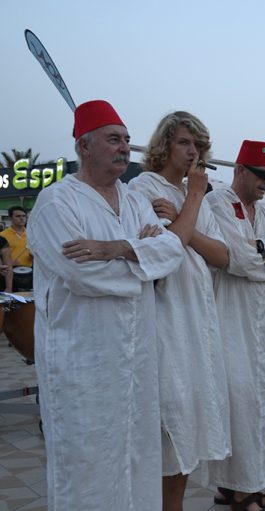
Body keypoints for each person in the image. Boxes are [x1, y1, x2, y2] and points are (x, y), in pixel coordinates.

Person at [27, 100, 185, 511]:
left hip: (136, 363)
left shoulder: (134, 201)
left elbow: (171, 251)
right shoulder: (57, 203)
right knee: (87, 465)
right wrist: (143, 259)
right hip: (84, 363)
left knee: (138, 457)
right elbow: (82, 276)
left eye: (128, 140)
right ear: (84, 146)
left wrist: (116, 248)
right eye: (113, 139)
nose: (124, 148)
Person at [128, 111, 231, 511]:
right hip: (164, 314)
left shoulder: (196, 196)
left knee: (188, 419)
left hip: (197, 316)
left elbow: (222, 255)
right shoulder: (142, 188)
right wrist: (189, 206)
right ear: (165, 145)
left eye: (199, 145)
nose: (194, 152)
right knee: (164, 420)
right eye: (185, 143)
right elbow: (162, 252)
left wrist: (184, 218)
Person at [206, 140, 265, 511]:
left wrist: (259, 249)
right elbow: (235, 260)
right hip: (232, 316)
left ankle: (246, 484)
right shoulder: (217, 203)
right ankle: (241, 488)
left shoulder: (262, 213)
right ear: (240, 170)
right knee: (240, 402)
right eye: (262, 175)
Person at [2, 206, 33, 290]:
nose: (22, 218)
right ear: (11, 218)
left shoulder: (31, 234)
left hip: (29, 272)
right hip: (9, 273)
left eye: (24, 216)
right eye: (18, 216)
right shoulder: (3, 235)